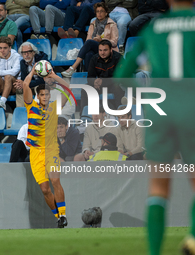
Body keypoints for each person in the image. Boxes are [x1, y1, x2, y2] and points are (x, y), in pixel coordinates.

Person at [114, 0, 195, 253]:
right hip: (191, 107)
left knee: (158, 188)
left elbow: (121, 76)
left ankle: (154, 252)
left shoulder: (154, 28)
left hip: (161, 113)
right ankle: (192, 237)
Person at [23, 67, 71, 228]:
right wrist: (32, 73)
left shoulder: (55, 108)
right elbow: (25, 86)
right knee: (45, 189)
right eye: (42, 94)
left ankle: (63, 214)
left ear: (50, 96)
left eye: (47, 94)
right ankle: (58, 217)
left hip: (51, 150)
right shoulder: (31, 107)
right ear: (38, 96)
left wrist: (54, 76)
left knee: (55, 180)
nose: (44, 96)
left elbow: (68, 90)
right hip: (35, 152)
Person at [61, 2, 118, 76]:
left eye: (101, 11)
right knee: (88, 54)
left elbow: (114, 42)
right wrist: (95, 40)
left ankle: (73, 67)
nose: (99, 13)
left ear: (106, 13)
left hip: (108, 50)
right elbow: (88, 39)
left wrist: (102, 40)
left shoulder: (112, 24)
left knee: (89, 43)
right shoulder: (93, 24)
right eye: (97, 11)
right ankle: (89, 77)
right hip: (96, 48)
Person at [80, 39, 124, 112]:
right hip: (99, 85)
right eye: (100, 50)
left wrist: (102, 82)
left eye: (105, 50)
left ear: (110, 50)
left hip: (114, 84)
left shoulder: (118, 58)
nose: (102, 53)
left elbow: (119, 77)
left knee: (117, 88)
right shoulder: (94, 58)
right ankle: (85, 116)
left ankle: (119, 114)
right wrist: (94, 82)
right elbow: (90, 76)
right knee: (85, 89)